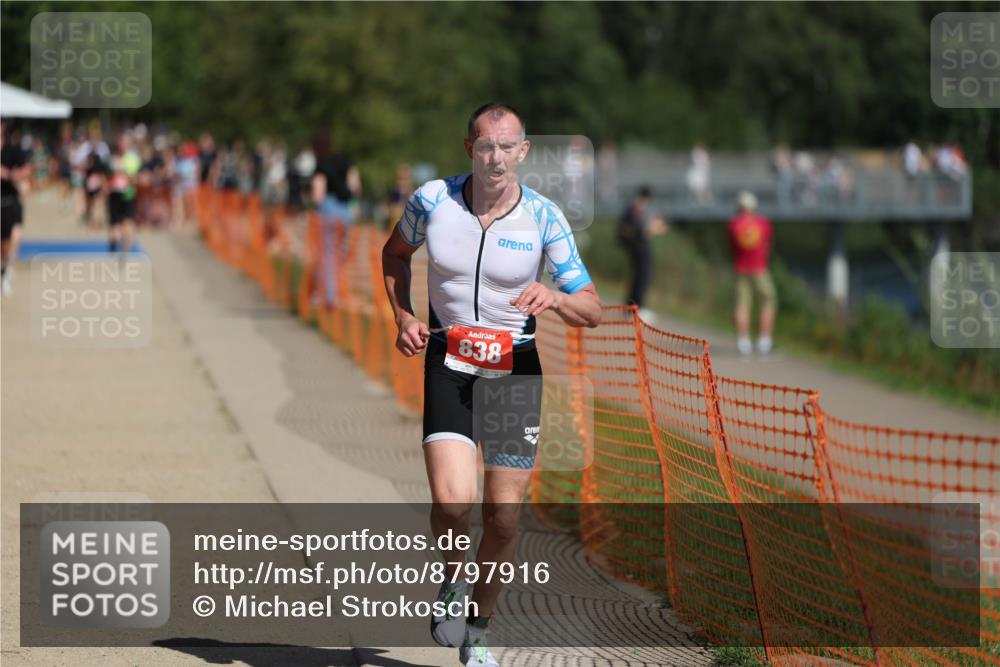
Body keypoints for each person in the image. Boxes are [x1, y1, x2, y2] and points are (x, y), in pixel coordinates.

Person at [381, 102, 601, 667]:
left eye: (507, 147)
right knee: (453, 503)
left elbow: (591, 308)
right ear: (469, 149)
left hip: (513, 375)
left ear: (523, 152)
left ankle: (478, 629)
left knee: (503, 519)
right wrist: (404, 316)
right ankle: (453, 584)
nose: (496, 157)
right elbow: (395, 255)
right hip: (449, 364)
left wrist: (555, 296)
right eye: (485, 146)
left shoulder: (545, 218)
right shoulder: (432, 201)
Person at [310, 129, 361, 307]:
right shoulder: (346, 162)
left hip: (328, 211)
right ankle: (339, 292)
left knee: (327, 254)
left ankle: (328, 296)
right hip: (346, 212)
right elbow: (355, 187)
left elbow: (318, 194)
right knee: (341, 254)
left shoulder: (321, 165)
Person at [728, 191, 776, 356]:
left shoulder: (733, 225)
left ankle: (744, 343)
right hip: (759, 269)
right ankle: (764, 342)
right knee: (768, 301)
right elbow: (767, 246)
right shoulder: (763, 223)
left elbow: (732, 248)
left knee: (742, 305)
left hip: (740, 269)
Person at [616, 185, 667, 318]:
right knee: (642, 277)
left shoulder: (642, 208)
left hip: (640, 245)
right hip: (637, 246)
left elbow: (660, 226)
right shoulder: (635, 208)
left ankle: (632, 308)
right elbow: (645, 229)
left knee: (641, 277)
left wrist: (653, 227)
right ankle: (636, 308)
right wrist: (651, 228)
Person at [1, 120, 31, 297]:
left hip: (9, 200)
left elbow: (27, 169)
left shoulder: (13, 150)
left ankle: (7, 271)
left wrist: (10, 175)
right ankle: (5, 270)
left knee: (9, 240)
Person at [106, 134, 142, 253]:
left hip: (124, 193)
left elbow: (133, 177)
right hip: (120, 193)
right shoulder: (128, 158)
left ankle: (121, 243)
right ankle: (123, 244)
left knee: (123, 222)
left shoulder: (117, 159)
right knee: (123, 221)